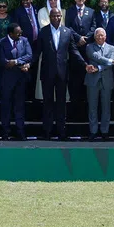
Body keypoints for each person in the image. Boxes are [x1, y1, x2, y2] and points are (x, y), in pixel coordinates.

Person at [38, 9, 83, 141]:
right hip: (47, 73)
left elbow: (74, 51)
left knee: (61, 103)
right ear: (50, 17)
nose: (56, 18)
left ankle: (61, 131)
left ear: (61, 16)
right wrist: (27, 63)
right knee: (47, 103)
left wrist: (85, 64)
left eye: (58, 15)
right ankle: (47, 131)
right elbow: (37, 52)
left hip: (62, 73)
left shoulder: (67, 32)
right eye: (54, 16)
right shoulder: (44, 31)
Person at [0, 24, 31, 141]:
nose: (20, 34)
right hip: (7, 79)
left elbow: (29, 55)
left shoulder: (24, 40)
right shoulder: (1, 43)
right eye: (18, 33)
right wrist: (11, 63)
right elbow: (2, 61)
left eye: (20, 32)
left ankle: (20, 132)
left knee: (19, 106)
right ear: (11, 34)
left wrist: (16, 61)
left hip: (21, 78)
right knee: (6, 106)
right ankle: (5, 132)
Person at [83, 27, 114, 140]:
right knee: (92, 107)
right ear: (94, 37)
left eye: (102, 35)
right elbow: (95, 57)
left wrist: (99, 68)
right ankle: (93, 131)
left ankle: (105, 131)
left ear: (106, 37)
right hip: (92, 81)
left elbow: (109, 64)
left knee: (106, 107)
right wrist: (110, 61)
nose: (100, 37)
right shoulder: (89, 47)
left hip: (106, 81)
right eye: (98, 35)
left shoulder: (112, 48)